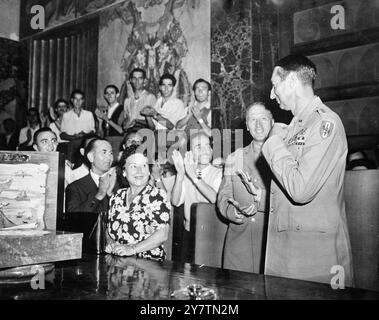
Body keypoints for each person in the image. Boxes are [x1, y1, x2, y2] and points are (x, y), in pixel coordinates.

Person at [263, 54, 353, 285]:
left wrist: (273, 143)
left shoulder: (325, 123)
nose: (272, 94)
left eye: (275, 85)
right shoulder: (293, 127)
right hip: (287, 254)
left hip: (314, 261)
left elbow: (301, 189)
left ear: (292, 81)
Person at [217, 102, 272, 274]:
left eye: (263, 118)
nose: (258, 124)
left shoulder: (285, 157)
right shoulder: (235, 157)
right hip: (239, 245)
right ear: (247, 126)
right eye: (253, 119)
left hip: (271, 245)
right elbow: (224, 196)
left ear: (272, 122)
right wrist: (232, 211)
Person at [105, 144, 171, 261]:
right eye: (133, 166)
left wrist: (132, 249)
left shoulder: (157, 195)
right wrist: (111, 243)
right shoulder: (116, 196)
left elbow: (162, 234)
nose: (139, 171)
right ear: (124, 171)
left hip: (149, 264)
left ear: (149, 171)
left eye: (144, 165)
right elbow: (108, 230)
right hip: (119, 262)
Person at [171, 131, 222, 262]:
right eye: (199, 146)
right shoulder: (187, 173)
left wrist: (194, 176)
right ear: (190, 153)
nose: (206, 150)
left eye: (208, 145)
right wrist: (181, 174)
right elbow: (175, 201)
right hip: (189, 233)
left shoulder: (219, 173)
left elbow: (216, 199)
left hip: (211, 236)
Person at [65, 138, 116, 214]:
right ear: (90, 157)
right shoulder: (75, 188)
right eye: (104, 152)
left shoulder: (120, 183)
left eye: (111, 153)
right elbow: (74, 218)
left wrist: (111, 195)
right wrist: (99, 195)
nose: (109, 157)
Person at [60, 89, 96, 164]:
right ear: (72, 100)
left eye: (80, 99)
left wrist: (84, 136)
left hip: (85, 144)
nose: (78, 102)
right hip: (71, 145)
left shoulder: (89, 114)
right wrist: (75, 137)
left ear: (83, 101)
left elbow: (93, 132)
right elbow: (62, 134)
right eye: (76, 99)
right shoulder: (66, 115)